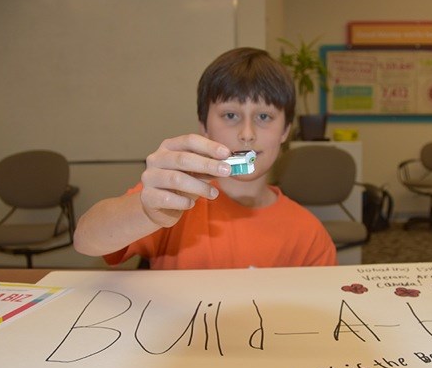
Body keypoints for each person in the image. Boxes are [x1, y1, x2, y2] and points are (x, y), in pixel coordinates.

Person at [73, 47, 337, 269]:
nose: (247, 134)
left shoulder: (309, 234)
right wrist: (147, 212)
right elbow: (85, 240)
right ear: (204, 126)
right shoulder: (173, 197)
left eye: (264, 117)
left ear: (286, 130)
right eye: (230, 115)